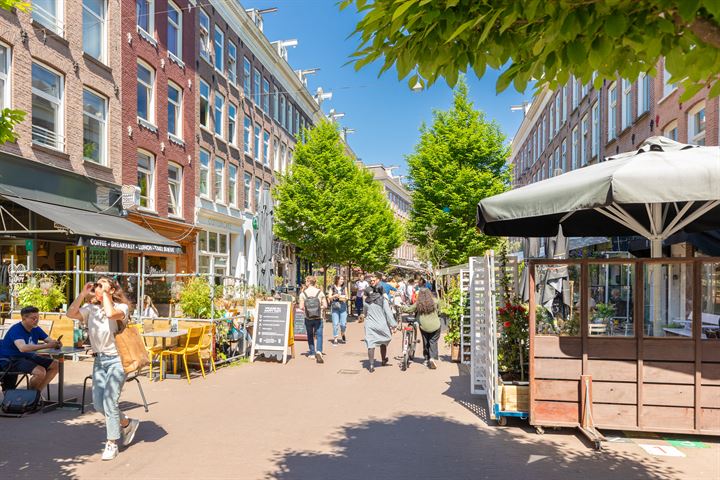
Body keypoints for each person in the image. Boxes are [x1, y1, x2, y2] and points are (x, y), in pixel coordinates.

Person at [66, 277, 139, 461]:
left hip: (117, 360)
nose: (97, 288)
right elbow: (70, 313)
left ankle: (112, 443)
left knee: (109, 401)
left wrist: (106, 293)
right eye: (96, 285)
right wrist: (83, 293)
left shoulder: (121, 308)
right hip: (99, 361)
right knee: (99, 404)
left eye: (101, 285)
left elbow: (110, 314)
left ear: (112, 290)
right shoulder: (91, 309)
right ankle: (127, 423)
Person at [0, 305, 60, 393]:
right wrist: (47, 345)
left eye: (38, 317)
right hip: (11, 359)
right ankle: (31, 397)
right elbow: (23, 348)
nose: (36, 320)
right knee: (40, 372)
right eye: (33, 318)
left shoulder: (36, 328)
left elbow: (49, 341)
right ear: (24, 318)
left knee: (56, 365)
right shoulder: (16, 329)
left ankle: (35, 395)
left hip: (27, 357)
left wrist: (56, 343)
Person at [402, 288, 441, 369]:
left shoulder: (418, 303)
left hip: (424, 326)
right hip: (436, 325)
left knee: (426, 341)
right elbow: (439, 312)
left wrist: (402, 307)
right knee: (433, 341)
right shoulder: (436, 301)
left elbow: (409, 309)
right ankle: (432, 358)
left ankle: (426, 359)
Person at [363, 284, 397, 373]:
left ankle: (371, 365)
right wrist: (393, 325)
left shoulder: (367, 301)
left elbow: (365, 313)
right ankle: (383, 360)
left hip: (370, 324)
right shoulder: (383, 300)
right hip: (382, 324)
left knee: (371, 343)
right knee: (384, 340)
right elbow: (388, 313)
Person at [298, 275, 327, 364]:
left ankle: (312, 352)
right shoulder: (320, 292)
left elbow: (301, 307)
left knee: (310, 335)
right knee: (319, 335)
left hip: (308, 317)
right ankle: (319, 351)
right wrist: (319, 308)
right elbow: (325, 305)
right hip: (318, 317)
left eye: (306, 281)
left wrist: (308, 309)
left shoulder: (303, 294)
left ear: (308, 282)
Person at [328, 276, 349, 345]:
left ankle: (343, 333)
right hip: (335, 306)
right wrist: (335, 296)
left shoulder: (344, 287)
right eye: (341, 279)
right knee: (335, 323)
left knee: (343, 324)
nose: (342, 281)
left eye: (343, 279)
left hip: (343, 306)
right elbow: (329, 297)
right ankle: (335, 338)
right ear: (337, 280)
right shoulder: (332, 287)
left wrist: (344, 297)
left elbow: (347, 296)